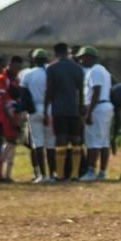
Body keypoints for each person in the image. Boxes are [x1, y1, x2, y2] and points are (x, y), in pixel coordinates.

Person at [43, 42, 85, 182]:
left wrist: (44, 109)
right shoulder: (78, 68)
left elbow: (49, 90)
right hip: (74, 108)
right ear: (67, 52)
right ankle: (75, 174)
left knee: (61, 139)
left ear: (55, 53)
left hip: (59, 109)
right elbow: (81, 90)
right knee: (76, 139)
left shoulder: (52, 68)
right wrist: (81, 107)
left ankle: (60, 174)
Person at [78, 46, 114, 182]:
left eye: (83, 57)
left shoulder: (95, 71)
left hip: (97, 107)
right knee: (104, 141)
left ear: (90, 57)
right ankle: (102, 172)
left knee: (93, 141)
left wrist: (89, 112)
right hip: (105, 106)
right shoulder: (103, 70)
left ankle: (91, 171)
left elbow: (96, 91)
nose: (81, 61)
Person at [23, 49, 55, 183]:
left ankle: (42, 175)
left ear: (34, 60)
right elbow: (52, 91)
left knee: (38, 143)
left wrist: (28, 110)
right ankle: (53, 175)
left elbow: (24, 94)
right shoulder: (50, 72)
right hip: (50, 109)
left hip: (34, 109)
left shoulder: (27, 74)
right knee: (50, 144)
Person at [0, 56, 25, 183]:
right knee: (8, 140)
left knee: (13, 141)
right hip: (5, 113)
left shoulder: (16, 79)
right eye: (15, 66)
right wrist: (10, 117)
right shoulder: (2, 78)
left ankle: (7, 174)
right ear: (10, 64)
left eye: (19, 67)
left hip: (15, 112)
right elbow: (2, 98)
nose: (17, 69)